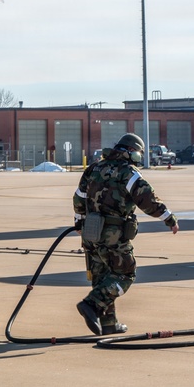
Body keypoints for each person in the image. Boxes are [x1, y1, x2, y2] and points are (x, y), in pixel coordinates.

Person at [72, 133, 179, 335]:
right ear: (129, 151)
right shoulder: (128, 173)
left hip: (91, 233)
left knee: (102, 277)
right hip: (113, 235)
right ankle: (91, 304)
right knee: (125, 274)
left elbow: (79, 198)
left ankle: (109, 325)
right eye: (138, 153)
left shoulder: (94, 168)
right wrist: (168, 218)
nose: (139, 157)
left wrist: (79, 222)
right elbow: (147, 200)